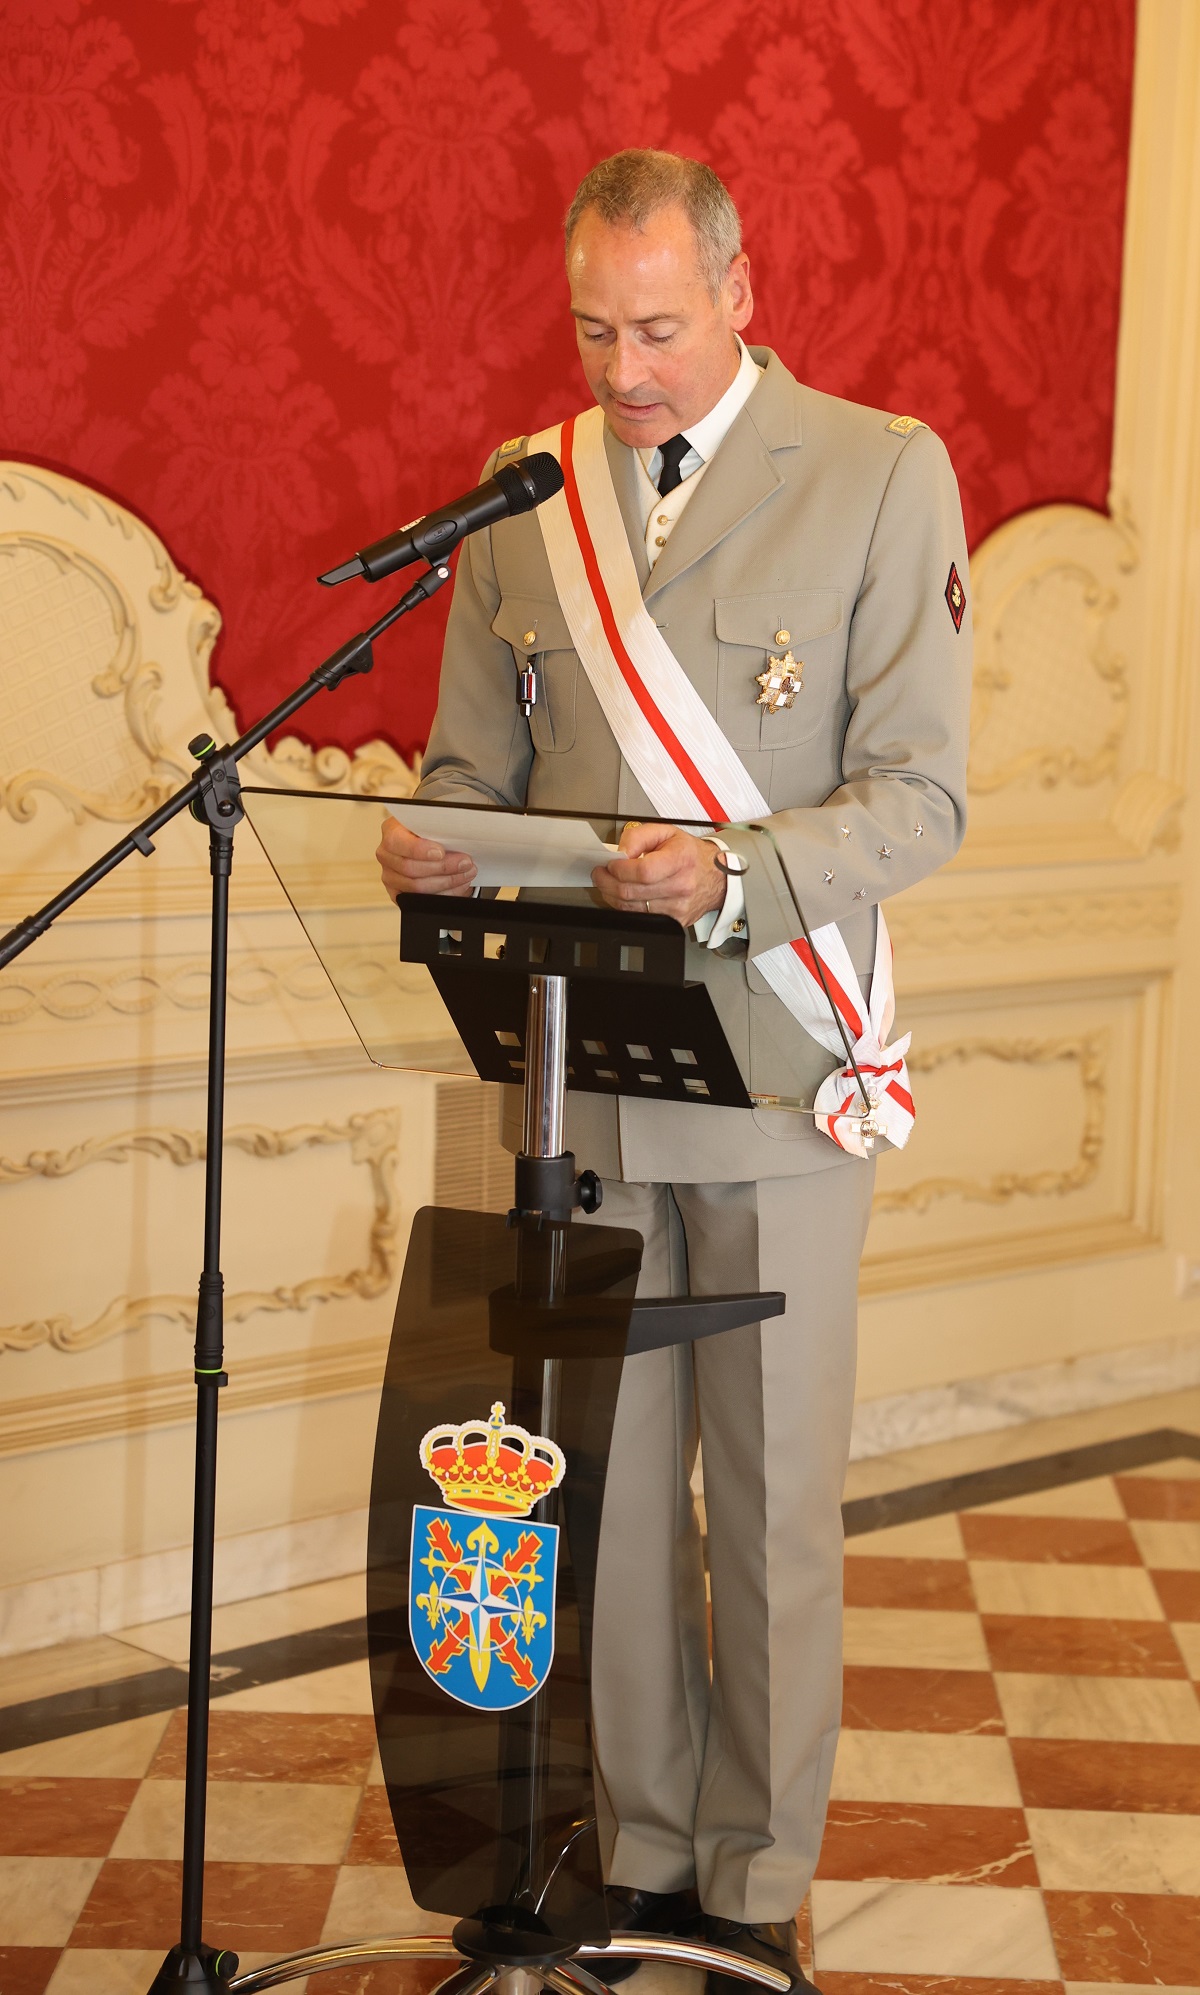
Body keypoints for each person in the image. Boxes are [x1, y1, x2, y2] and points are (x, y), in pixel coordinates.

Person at [378, 150, 971, 1993]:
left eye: (654, 327)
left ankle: (752, 1861)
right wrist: (438, 837)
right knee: (606, 1485)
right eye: (592, 329)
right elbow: (477, 772)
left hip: (785, 1063)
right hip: (580, 1076)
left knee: (773, 1485)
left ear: (734, 290)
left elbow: (922, 799)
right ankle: (639, 1843)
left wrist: (741, 868)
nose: (621, 366)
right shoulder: (529, 501)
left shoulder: (880, 471)